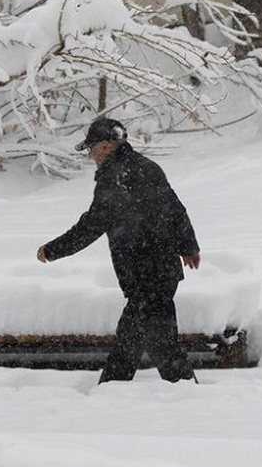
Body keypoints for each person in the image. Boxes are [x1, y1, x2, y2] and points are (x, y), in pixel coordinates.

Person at [37, 117, 202, 384]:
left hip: (143, 272)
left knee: (149, 341)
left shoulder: (114, 176)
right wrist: (188, 247)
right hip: (161, 270)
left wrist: (53, 250)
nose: (91, 156)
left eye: (91, 150)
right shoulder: (148, 167)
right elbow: (176, 209)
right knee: (144, 338)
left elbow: (92, 224)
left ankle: (123, 389)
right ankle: (125, 387)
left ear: (105, 146)